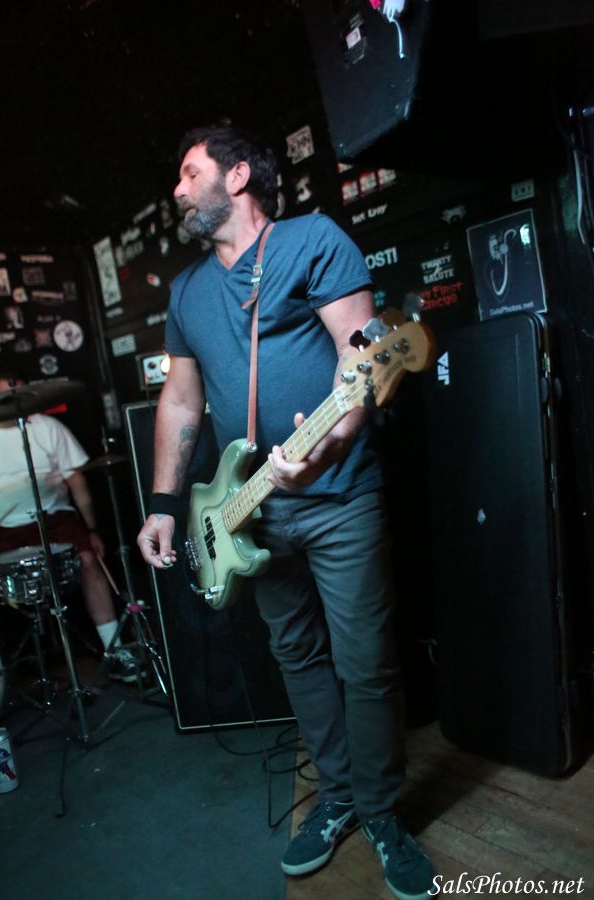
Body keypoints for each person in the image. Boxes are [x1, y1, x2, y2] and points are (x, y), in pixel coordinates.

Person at [137, 125, 435, 898]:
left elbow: (360, 359)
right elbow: (181, 402)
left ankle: (381, 811)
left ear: (237, 176)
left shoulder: (312, 241)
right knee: (297, 657)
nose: (177, 189)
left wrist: (325, 450)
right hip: (248, 512)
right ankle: (337, 797)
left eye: (189, 172)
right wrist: (165, 503)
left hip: (339, 498)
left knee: (366, 663)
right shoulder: (187, 293)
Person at [0, 370, 140, 682]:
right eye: (5, 398)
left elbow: (77, 481)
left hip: (53, 517)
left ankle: (114, 650)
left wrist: (90, 529)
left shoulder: (48, 427)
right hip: (3, 526)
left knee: (88, 560)